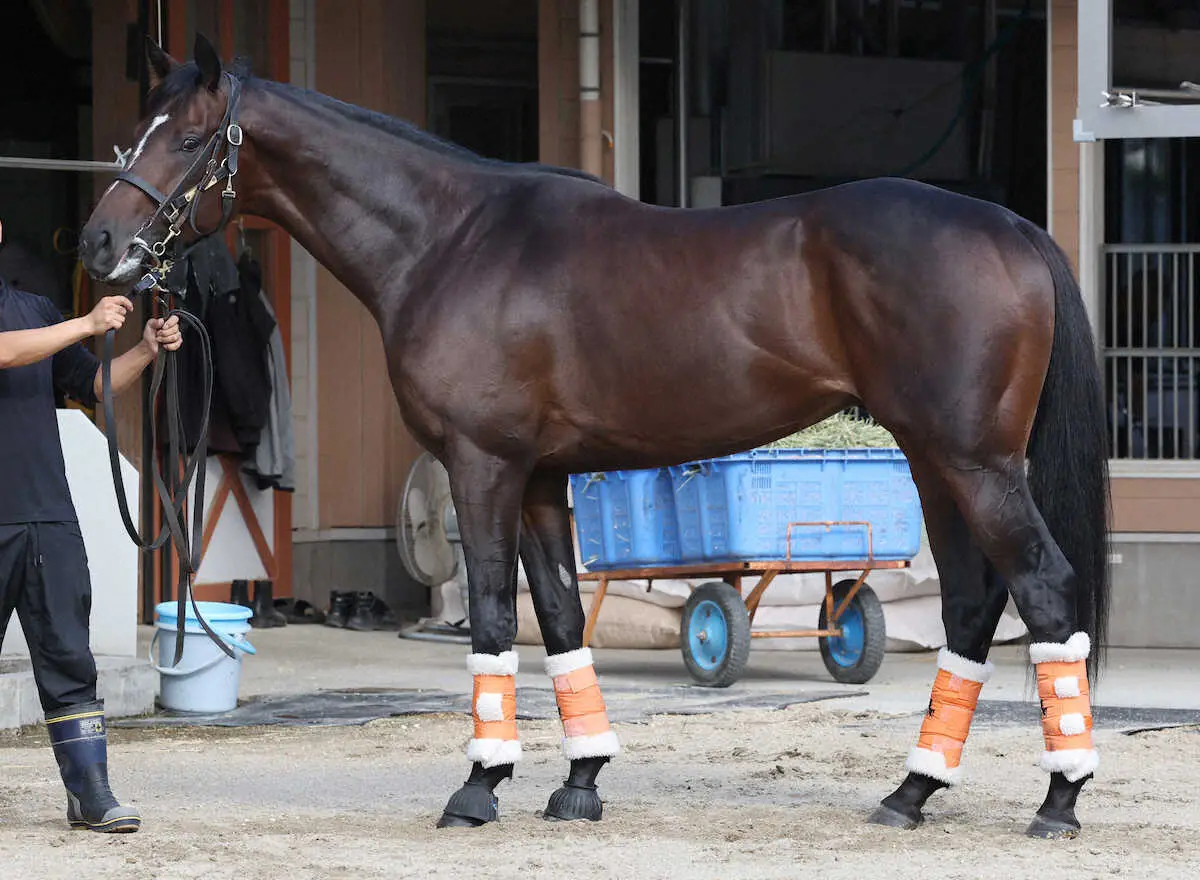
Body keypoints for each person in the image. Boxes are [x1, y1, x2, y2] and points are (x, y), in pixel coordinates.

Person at [0, 218, 181, 833]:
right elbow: (2, 351)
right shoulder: (46, 324)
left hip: (47, 517)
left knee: (69, 660)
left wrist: (144, 348)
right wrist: (86, 322)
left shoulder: (34, 311)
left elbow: (98, 384)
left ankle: (91, 795)